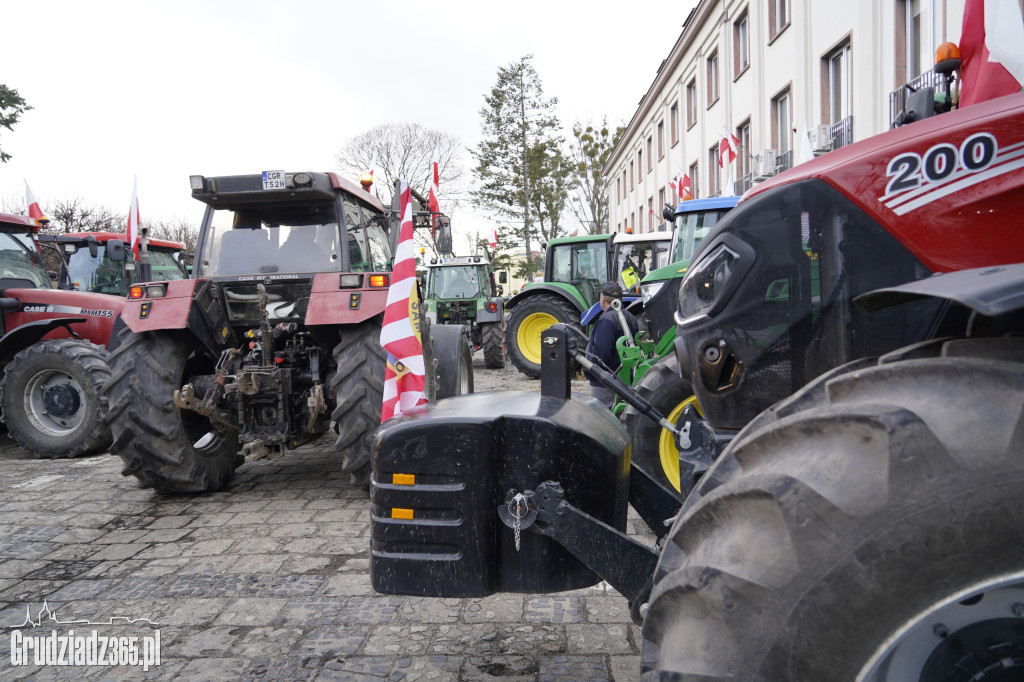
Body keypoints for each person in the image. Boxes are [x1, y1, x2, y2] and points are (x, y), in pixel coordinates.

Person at [586, 281, 640, 409]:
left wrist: (591, 370)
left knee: (601, 419)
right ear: (621, 299)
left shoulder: (606, 320)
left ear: (603, 299)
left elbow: (601, 352)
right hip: (626, 380)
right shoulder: (631, 318)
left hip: (605, 383)